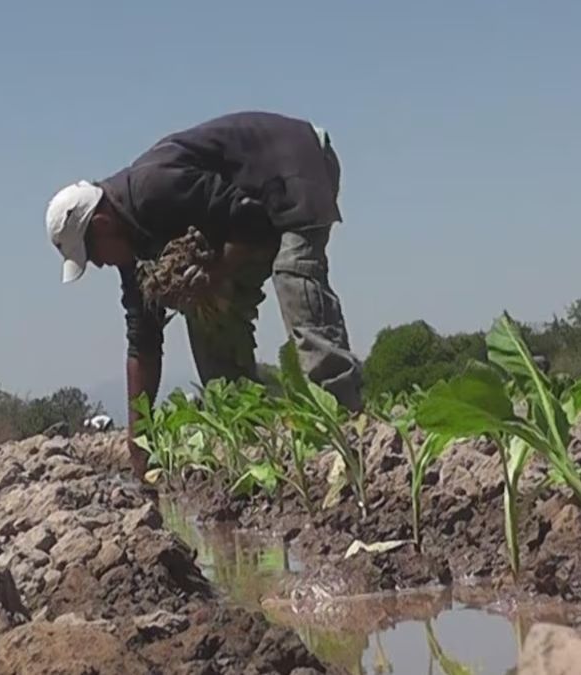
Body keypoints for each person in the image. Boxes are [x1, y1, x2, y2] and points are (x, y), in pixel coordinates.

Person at [45, 111, 364, 478]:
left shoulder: (155, 189)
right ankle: (250, 438)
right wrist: (139, 443)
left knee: (293, 271)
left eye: (93, 255)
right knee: (206, 310)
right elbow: (142, 343)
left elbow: (253, 222)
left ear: (102, 226)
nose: (99, 265)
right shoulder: (131, 246)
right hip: (250, 213)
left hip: (295, 167)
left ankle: (350, 417)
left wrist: (216, 271)